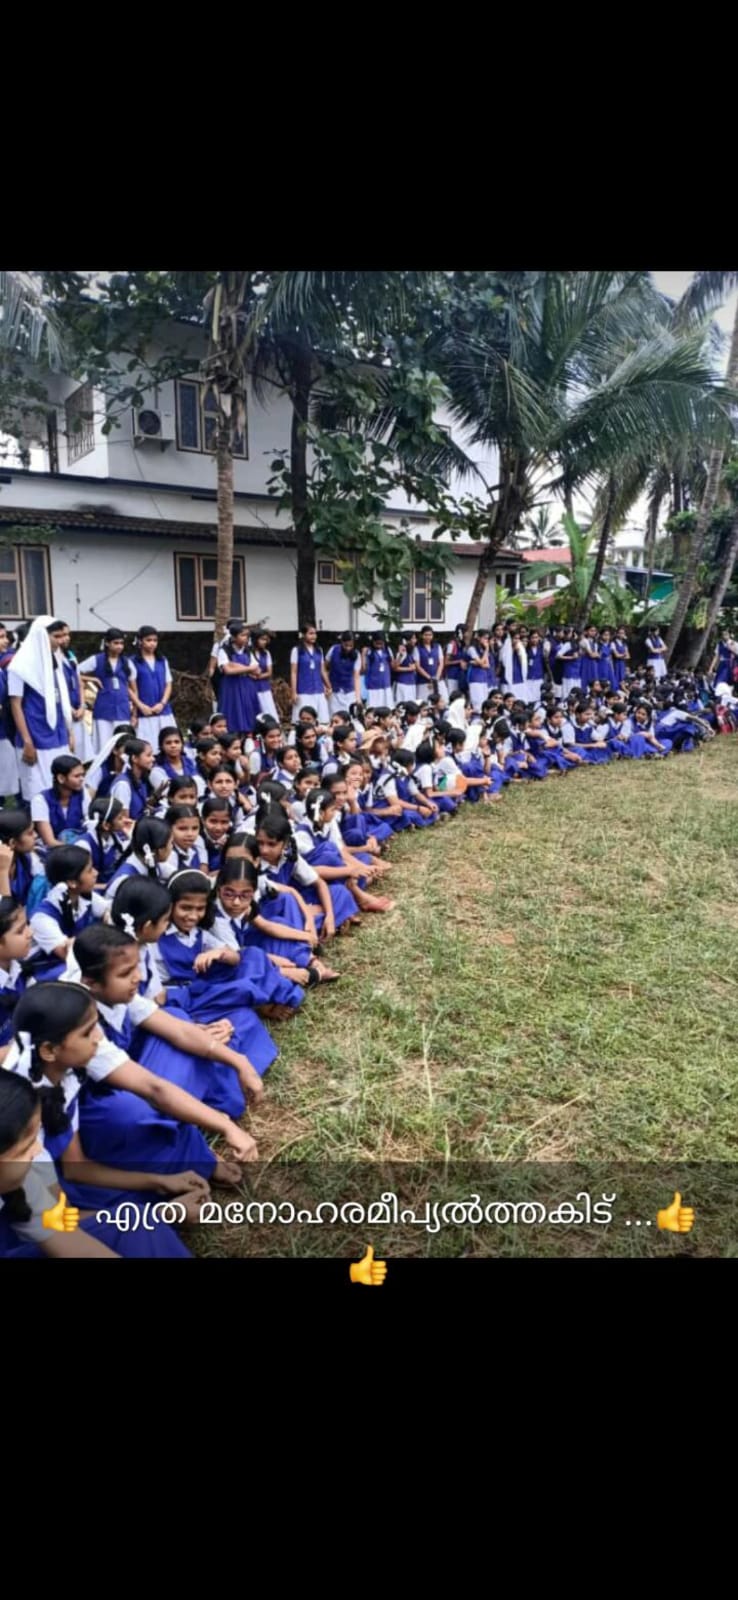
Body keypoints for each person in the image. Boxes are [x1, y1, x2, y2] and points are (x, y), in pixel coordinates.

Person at [8, 616, 73, 802]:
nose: (61, 641)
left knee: (61, 788)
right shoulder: (20, 666)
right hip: (36, 735)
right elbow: (15, 705)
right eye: (56, 636)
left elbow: (61, 699)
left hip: (58, 733)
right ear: (41, 636)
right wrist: (27, 741)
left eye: (62, 636)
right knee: (39, 793)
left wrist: (69, 732)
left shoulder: (55, 661)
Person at [30, 843, 107, 974]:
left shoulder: (83, 895)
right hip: (51, 972)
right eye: (89, 870)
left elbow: (107, 910)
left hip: (78, 964)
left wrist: (109, 917)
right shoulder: (42, 918)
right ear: (72, 882)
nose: (96, 873)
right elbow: (69, 955)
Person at [78, 628, 136, 753]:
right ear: (107, 643)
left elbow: (134, 689)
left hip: (123, 708)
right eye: (116, 643)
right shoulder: (97, 659)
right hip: (103, 708)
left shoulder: (127, 662)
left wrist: (134, 713)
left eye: (121, 643)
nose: (119, 646)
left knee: (123, 744)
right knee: (103, 745)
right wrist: (92, 679)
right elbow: (75, 672)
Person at [126, 626, 177, 749]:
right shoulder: (132, 661)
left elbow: (168, 684)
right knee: (146, 747)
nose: (152, 643)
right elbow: (129, 687)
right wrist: (140, 706)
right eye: (148, 640)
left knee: (169, 744)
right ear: (140, 641)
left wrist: (162, 703)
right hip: (144, 712)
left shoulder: (162, 660)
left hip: (163, 710)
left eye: (155, 640)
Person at [105, 816, 173, 901]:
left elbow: (177, 875)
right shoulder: (126, 880)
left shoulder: (152, 861)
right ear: (159, 849)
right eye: (171, 843)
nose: (172, 847)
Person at [30, 754, 88, 851]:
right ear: (61, 778)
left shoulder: (83, 794)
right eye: (77, 776)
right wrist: (77, 849)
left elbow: (89, 826)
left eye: (83, 775)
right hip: (52, 851)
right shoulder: (40, 800)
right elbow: (49, 842)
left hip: (79, 847)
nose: (82, 779)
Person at [0, 810, 45, 908]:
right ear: (12, 843)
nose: (36, 835)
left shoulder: (28, 857)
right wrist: (2, 871)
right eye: (30, 833)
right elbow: (6, 912)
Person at [289, 626, 332, 724]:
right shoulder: (296, 650)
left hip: (318, 689)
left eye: (315, 633)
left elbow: (322, 670)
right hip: (303, 690)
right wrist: (293, 692)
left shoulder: (319, 650)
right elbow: (293, 672)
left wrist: (329, 686)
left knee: (322, 720)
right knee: (304, 721)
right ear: (303, 635)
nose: (314, 636)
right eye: (311, 633)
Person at [110, 738, 157, 821]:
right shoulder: (122, 785)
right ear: (134, 758)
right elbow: (124, 821)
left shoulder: (141, 780)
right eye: (148, 755)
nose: (153, 759)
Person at [150, 726, 197, 792]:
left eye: (177, 742)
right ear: (161, 746)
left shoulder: (191, 763)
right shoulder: (157, 770)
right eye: (168, 743)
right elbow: (167, 792)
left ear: (182, 744)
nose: (173, 745)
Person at [326, 632, 362, 717]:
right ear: (342, 642)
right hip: (334, 691)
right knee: (334, 716)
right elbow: (324, 668)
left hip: (349, 691)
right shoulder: (333, 650)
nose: (348, 648)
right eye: (346, 645)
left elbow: (356, 677)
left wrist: (358, 698)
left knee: (349, 716)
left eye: (351, 646)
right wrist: (326, 685)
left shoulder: (357, 654)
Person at [415, 626, 446, 705]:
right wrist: (429, 678)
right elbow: (418, 666)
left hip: (438, 679)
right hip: (423, 681)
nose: (428, 637)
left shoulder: (437, 646)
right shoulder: (417, 648)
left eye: (430, 635)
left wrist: (436, 678)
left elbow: (441, 663)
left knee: (442, 701)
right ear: (421, 635)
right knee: (424, 702)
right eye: (426, 635)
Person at [362, 631, 394, 708]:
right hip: (373, 686)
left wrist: (400, 656)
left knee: (387, 708)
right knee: (373, 708)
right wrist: (363, 655)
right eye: (377, 643)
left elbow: (393, 666)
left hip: (385, 685)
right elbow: (363, 669)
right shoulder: (369, 651)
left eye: (381, 643)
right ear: (373, 641)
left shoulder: (387, 650)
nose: (379, 645)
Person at [392, 632, 420, 705]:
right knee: (402, 704)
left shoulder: (412, 651)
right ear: (407, 640)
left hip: (411, 682)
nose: (415, 640)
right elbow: (395, 667)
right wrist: (409, 669)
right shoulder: (403, 651)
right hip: (403, 683)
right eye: (413, 638)